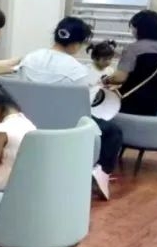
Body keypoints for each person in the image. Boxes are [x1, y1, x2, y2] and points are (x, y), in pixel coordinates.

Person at [18, 17, 122, 195]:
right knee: (113, 131)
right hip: (64, 126)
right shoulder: (77, 70)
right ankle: (100, 173)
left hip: (27, 120)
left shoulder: (29, 59)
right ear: (76, 44)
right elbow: (82, 109)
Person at [104, 11, 157, 116]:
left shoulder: (133, 49)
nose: (132, 31)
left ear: (139, 29)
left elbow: (119, 78)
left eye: (133, 27)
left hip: (131, 105)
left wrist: (105, 79)